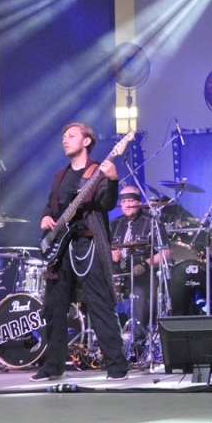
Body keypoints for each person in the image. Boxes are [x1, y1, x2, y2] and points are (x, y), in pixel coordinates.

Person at [31, 122, 128, 381]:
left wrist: (113, 180)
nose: (65, 140)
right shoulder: (59, 176)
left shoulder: (98, 171)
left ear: (86, 141)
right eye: (64, 136)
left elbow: (106, 204)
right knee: (54, 307)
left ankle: (117, 366)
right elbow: (51, 205)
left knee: (99, 304)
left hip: (88, 245)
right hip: (60, 248)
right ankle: (53, 366)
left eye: (71, 135)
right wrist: (45, 217)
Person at [109, 185, 170, 341]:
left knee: (139, 291)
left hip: (144, 274)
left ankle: (139, 339)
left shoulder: (152, 222)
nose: (127, 205)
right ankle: (106, 338)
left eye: (131, 201)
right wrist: (110, 254)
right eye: (124, 202)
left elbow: (166, 253)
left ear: (139, 202)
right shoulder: (114, 224)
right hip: (117, 273)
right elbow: (102, 249)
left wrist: (145, 265)